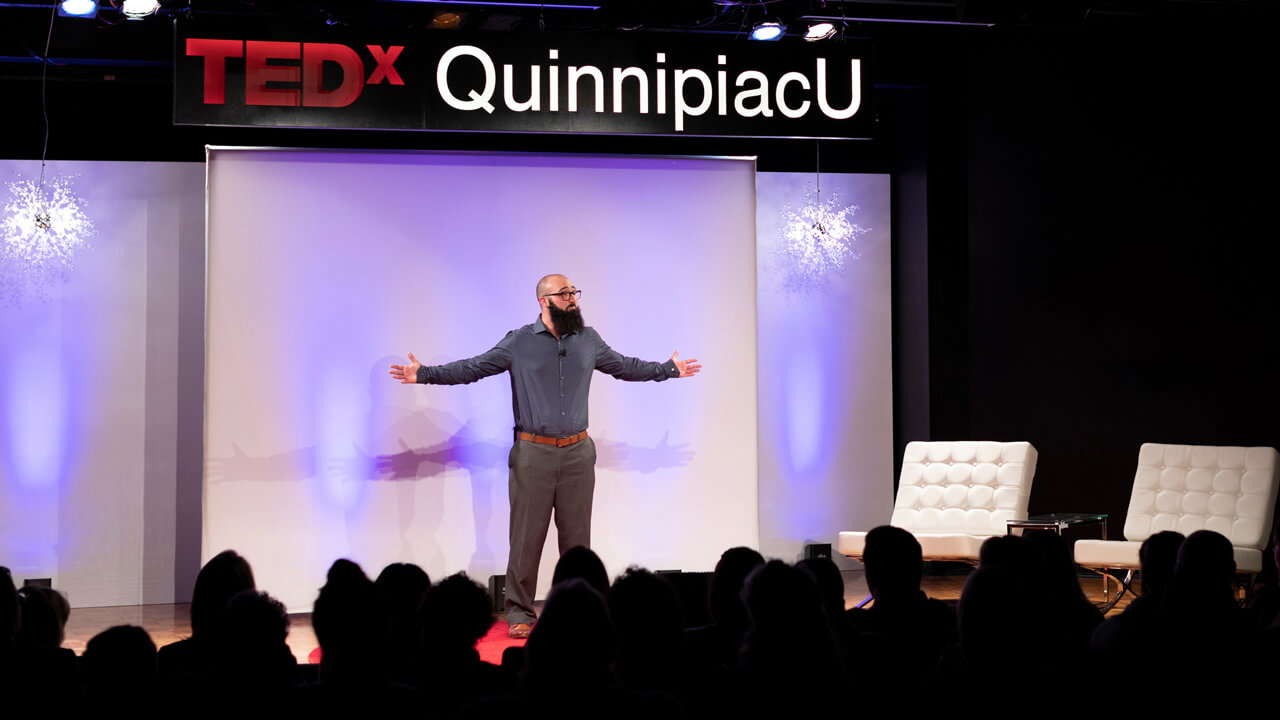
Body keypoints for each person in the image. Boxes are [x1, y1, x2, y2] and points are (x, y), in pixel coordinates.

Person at [389, 274, 701, 638]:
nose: (572, 299)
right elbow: (473, 367)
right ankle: (520, 612)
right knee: (526, 538)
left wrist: (667, 369)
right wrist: (424, 374)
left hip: (578, 454)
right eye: (564, 293)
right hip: (533, 453)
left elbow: (624, 366)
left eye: (574, 292)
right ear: (544, 301)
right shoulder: (519, 342)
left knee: (577, 542)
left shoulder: (589, 339)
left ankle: (581, 611)